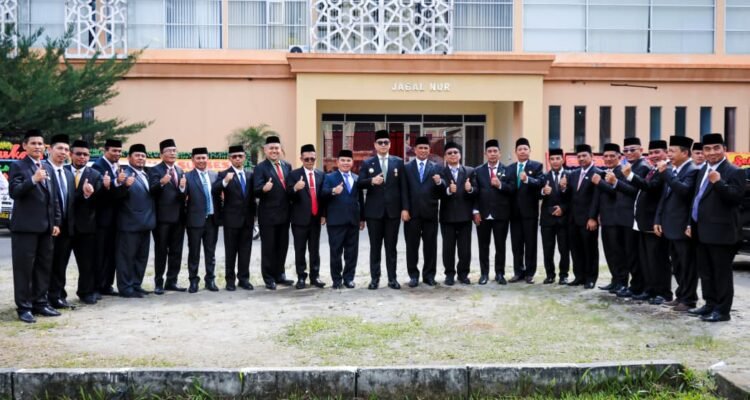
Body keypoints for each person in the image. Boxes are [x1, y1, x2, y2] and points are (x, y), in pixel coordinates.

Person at [687, 133, 745, 322]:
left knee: (721, 273)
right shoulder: (702, 169)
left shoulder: (735, 171)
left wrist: (718, 183)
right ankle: (709, 304)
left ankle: (722, 311)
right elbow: (696, 199)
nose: (712, 152)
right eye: (707, 149)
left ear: (724, 149)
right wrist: (690, 223)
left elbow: (735, 198)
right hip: (700, 230)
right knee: (705, 272)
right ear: (703, 151)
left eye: (716, 148)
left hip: (721, 233)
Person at [9, 130, 61, 323]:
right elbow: (14, 191)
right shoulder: (18, 166)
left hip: (46, 227)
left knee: (43, 267)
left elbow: (54, 198)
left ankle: (40, 302)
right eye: (33, 143)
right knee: (23, 270)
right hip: (25, 228)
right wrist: (33, 180)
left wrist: (56, 222)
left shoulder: (47, 167)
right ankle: (24, 307)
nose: (37, 147)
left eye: (40, 143)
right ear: (25, 146)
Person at [358, 130, 407, 290]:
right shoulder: (368, 163)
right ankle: (375, 279)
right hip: (374, 213)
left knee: (391, 248)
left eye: (386, 142)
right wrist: (371, 181)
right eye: (380, 143)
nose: (383, 145)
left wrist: (405, 208)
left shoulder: (398, 162)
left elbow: (403, 188)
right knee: (375, 247)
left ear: (390, 144)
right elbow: (359, 183)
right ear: (375, 145)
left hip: (393, 212)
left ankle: (392, 279)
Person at [654, 136, 698, 312]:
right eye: (669, 151)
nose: (669, 154)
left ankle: (689, 299)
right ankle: (680, 295)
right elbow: (663, 198)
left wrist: (666, 173)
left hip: (682, 226)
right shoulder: (673, 169)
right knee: (677, 265)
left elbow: (684, 191)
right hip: (669, 225)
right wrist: (658, 219)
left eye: (672, 151)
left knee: (687, 265)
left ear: (685, 153)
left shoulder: (692, 170)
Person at [623, 140, 670, 304]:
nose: (653, 155)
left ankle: (663, 292)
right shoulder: (654, 169)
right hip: (643, 222)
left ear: (666, 152)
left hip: (654, 222)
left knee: (658, 260)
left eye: (657, 152)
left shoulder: (665, 169)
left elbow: (651, 187)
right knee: (646, 260)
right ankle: (650, 289)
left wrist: (630, 176)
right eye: (651, 153)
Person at [114, 144, 156, 298]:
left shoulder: (147, 174)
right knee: (126, 258)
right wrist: (123, 185)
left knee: (141, 258)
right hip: (129, 224)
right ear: (129, 158)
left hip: (146, 223)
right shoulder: (124, 174)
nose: (140, 158)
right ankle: (126, 287)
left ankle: (136, 285)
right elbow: (116, 196)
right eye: (137, 155)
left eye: (143, 156)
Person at [402, 136, 444, 287]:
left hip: (430, 213)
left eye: (426, 148)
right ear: (415, 150)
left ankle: (429, 275)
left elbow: (442, 191)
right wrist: (405, 209)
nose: (423, 150)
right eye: (420, 148)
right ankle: (413, 276)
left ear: (429, 150)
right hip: (412, 214)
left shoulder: (437, 167)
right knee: (412, 246)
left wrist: (439, 182)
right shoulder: (406, 167)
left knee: (430, 246)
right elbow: (404, 190)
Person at [63, 140, 101, 305]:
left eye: (85, 154)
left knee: (87, 264)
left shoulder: (95, 175)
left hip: (86, 227)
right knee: (59, 263)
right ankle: (58, 295)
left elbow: (100, 202)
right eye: (78, 154)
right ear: (71, 154)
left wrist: (88, 195)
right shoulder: (62, 171)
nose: (82, 157)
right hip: (64, 226)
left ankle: (86, 292)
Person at [613, 137, 651, 299]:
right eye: (626, 150)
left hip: (632, 216)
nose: (629, 153)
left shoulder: (643, 167)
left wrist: (616, 182)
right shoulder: (627, 165)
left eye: (632, 150)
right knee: (626, 254)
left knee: (634, 254)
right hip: (622, 216)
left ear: (641, 150)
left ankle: (637, 286)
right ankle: (632, 284)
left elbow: (635, 191)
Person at [253, 136, 293, 290]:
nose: (274, 151)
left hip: (285, 214)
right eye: (271, 148)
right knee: (269, 248)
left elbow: (289, 188)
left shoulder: (287, 166)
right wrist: (263, 189)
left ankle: (280, 274)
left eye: (277, 148)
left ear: (280, 149)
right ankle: (269, 277)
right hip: (268, 215)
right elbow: (255, 190)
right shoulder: (260, 168)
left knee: (282, 246)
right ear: (265, 150)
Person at [473, 139, 515, 285]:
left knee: (500, 246)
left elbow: (512, 189)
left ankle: (499, 273)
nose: (492, 154)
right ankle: (484, 274)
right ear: (485, 154)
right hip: (483, 215)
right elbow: (475, 193)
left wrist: (500, 185)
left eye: (495, 151)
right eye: (489, 151)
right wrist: (475, 211)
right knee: (483, 246)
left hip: (501, 215)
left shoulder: (508, 170)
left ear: (500, 153)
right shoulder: (478, 171)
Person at [322, 149, 365, 289]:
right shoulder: (329, 177)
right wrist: (333, 191)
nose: (346, 163)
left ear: (352, 162)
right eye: (343, 160)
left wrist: (362, 218)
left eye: (348, 160)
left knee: (352, 252)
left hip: (353, 221)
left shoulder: (357, 178)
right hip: (336, 221)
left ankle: (349, 278)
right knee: (336, 252)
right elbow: (322, 194)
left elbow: (360, 199)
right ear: (337, 162)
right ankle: (336, 279)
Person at [148, 139, 187, 294]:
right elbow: (152, 191)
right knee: (161, 251)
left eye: (174, 150)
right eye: (169, 151)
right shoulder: (154, 170)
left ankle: (172, 281)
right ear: (161, 154)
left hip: (179, 219)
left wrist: (182, 188)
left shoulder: (180, 170)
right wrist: (162, 183)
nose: (172, 153)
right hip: (162, 219)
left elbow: (182, 196)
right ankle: (158, 283)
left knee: (176, 252)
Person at [215, 145, 256, 291]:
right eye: (234, 156)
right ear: (230, 158)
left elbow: (253, 196)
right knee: (230, 252)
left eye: (240, 156)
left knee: (246, 251)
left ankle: (244, 279)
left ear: (244, 157)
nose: (237, 159)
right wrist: (225, 181)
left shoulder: (250, 175)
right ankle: (230, 281)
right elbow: (215, 190)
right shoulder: (223, 174)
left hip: (248, 220)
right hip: (231, 220)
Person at [287, 144, 326, 289]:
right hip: (299, 220)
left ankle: (315, 277)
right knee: (300, 249)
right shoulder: (294, 175)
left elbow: (323, 197)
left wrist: (324, 214)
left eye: (312, 159)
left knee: (315, 250)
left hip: (316, 219)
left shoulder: (321, 175)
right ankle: (301, 277)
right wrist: (295, 188)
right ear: (301, 159)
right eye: (307, 159)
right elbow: (288, 195)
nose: (310, 161)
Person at [591, 143, 629, 293]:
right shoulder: (603, 173)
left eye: (612, 156)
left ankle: (622, 282)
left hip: (617, 219)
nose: (608, 158)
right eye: (605, 156)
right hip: (605, 219)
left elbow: (617, 193)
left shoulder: (622, 172)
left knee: (619, 252)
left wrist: (600, 183)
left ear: (619, 157)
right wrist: (595, 215)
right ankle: (615, 280)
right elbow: (598, 197)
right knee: (609, 252)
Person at [563, 144, 601, 289]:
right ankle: (579, 276)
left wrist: (593, 217)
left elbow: (597, 198)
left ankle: (591, 278)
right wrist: (563, 188)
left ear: (592, 156)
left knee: (590, 249)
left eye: (584, 155)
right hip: (573, 219)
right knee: (575, 249)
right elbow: (569, 196)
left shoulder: (597, 173)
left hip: (588, 219)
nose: (581, 158)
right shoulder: (573, 174)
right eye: (579, 156)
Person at [506, 138, 544, 283]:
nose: (522, 151)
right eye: (520, 149)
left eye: (525, 149)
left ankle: (529, 273)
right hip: (514, 213)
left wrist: (528, 179)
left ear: (529, 151)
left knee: (530, 243)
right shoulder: (509, 168)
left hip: (530, 212)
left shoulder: (537, 166)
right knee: (516, 244)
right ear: (516, 152)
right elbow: (508, 188)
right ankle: (518, 272)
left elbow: (540, 182)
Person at [46, 134, 76, 310]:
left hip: (66, 227)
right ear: (50, 149)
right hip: (48, 226)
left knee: (60, 264)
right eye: (59, 148)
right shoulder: (43, 169)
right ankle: (41, 298)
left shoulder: (68, 174)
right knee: (45, 265)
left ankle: (57, 296)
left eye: (66, 149)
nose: (63, 152)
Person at [439, 142, 476, 286]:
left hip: (464, 216)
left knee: (464, 248)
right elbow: (435, 192)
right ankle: (449, 274)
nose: (453, 155)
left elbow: (477, 191)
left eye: (455, 152)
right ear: (445, 156)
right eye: (449, 153)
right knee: (448, 248)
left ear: (460, 155)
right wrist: (448, 190)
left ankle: (463, 274)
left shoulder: (469, 171)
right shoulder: (441, 172)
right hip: (447, 217)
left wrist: (470, 189)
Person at [185, 147, 221, 293]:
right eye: (198, 158)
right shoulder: (187, 176)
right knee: (194, 252)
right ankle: (193, 281)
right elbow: (182, 196)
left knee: (210, 252)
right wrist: (181, 187)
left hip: (212, 220)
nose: (201, 160)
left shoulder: (215, 175)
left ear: (207, 159)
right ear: (193, 160)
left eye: (203, 158)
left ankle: (210, 280)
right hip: (195, 221)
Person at [91, 139, 122, 297]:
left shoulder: (118, 167)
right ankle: (96, 286)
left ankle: (107, 285)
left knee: (111, 254)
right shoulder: (98, 166)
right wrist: (116, 182)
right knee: (99, 254)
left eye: (119, 151)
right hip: (102, 219)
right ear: (105, 150)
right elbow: (100, 193)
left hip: (116, 219)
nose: (117, 154)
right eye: (114, 150)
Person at [539, 148, 569, 285]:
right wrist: (543, 192)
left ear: (563, 159)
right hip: (547, 219)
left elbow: (574, 197)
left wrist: (563, 208)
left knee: (564, 249)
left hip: (564, 219)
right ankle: (550, 275)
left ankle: (564, 275)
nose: (555, 161)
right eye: (552, 159)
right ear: (549, 160)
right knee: (548, 249)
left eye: (558, 158)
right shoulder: (543, 177)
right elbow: (535, 194)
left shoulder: (570, 175)